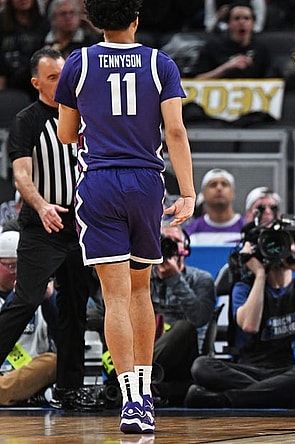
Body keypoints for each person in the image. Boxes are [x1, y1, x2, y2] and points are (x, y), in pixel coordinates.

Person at [54, 0, 196, 434]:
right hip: (145, 183)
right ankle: (147, 396)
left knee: (113, 296)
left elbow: (64, 133)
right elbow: (174, 130)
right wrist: (188, 191)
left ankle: (130, 402)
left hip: (98, 182)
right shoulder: (159, 63)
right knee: (140, 293)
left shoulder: (77, 63)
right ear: (137, 19)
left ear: (94, 22)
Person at [5, 47, 101, 411]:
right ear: (36, 83)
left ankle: (69, 388)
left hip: (79, 225)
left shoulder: (85, 117)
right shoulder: (27, 120)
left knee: (75, 308)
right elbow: (21, 173)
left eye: (64, 75)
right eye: (52, 78)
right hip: (41, 224)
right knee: (27, 299)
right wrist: (42, 205)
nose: (62, 83)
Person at [184, 235, 295, 408]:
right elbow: (250, 326)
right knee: (201, 366)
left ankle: (227, 399)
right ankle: (287, 396)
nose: (278, 253)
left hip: (286, 370)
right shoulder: (244, 287)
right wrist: (260, 275)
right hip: (248, 368)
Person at [149, 225, 216, 405]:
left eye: (175, 241)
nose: (168, 245)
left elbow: (199, 319)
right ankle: (147, 382)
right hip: (150, 347)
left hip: (185, 358)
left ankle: (139, 378)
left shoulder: (202, 279)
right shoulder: (142, 278)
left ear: (185, 246)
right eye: (164, 240)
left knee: (184, 328)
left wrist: (174, 279)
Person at [0, 230, 58, 407]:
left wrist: (50, 299)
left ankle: (7, 393)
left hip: (29, 371)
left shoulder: (41, 294)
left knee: (55, 361)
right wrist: (18, 298)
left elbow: (63, 335)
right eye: (10, 266)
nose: (17, 272)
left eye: (22, 266)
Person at [193, 2, 271, 79]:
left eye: (246, 18)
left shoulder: (261, 49)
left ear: (253, 24)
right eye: (236, 18)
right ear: (228, 24)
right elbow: (197, 79)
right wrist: (226, 67)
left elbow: (275, 81)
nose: (242, 22)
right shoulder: (212, 47)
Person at [186, 169, 245, 245]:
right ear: (203, 194)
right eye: (213, 185)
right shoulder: (191, 231)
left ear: (233, 193)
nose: (219, 188)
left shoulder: (247, 228)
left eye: (224, 184)